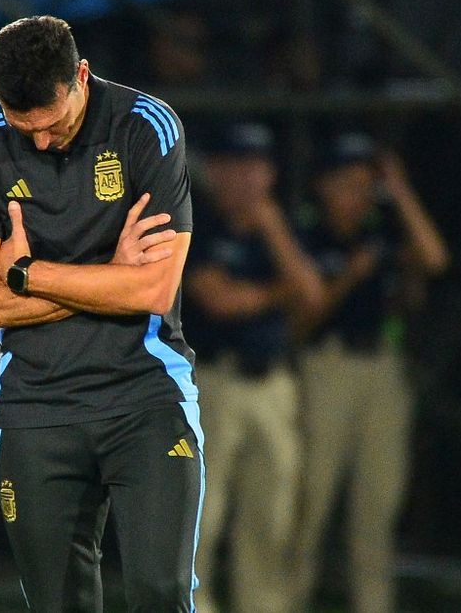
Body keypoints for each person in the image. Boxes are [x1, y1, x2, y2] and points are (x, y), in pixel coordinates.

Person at [0, 16, 203, 612]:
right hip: (35, 404)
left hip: (144, 396)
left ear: (81, 76)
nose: (40, 141)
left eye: (53, 123)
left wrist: (25, 273)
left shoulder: (148, 128)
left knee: (160, 593)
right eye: (23, 126)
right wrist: (108, 273)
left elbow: (153, 290)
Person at [290, 132, 449, 613]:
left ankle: (373, 604)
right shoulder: (307, 234)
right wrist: (348, 278)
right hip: (325, 367)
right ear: (324, 186)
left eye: (365, 185)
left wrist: (398, 191)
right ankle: (282, 599)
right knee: (310, 499)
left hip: (382, 366)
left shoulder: (382, 233)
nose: (356, 196)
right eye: (346, 184)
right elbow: (300, 323)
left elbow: (436, 259)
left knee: (377, 503)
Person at [186, 123, 322, 613]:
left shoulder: (282, 231)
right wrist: (277, 293)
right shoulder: (196, 228)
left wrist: (273, 229)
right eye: (237, 167)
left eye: (258, 168)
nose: (249, 179)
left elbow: (311, 297)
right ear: (216, 172)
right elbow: (220, 301)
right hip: (214, 381)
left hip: (273, 383)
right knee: (204, 511)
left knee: (273, 509)